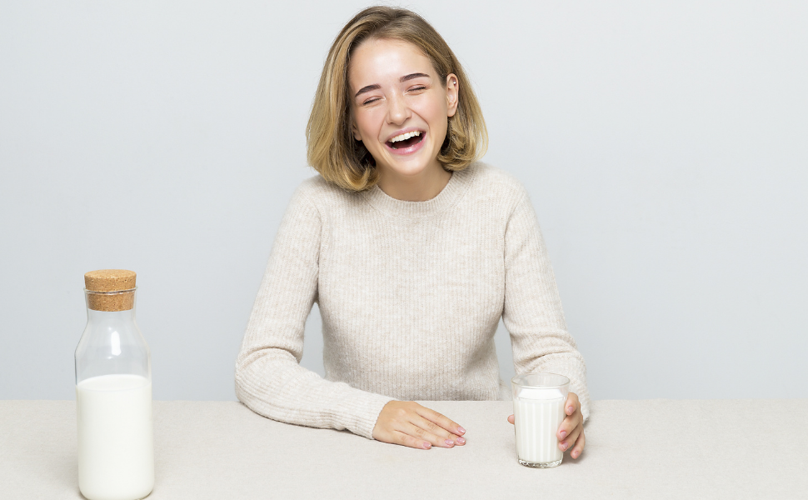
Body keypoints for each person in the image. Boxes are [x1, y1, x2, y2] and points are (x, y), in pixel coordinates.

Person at [235, 6, 589, 458]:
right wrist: (370, 413)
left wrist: (568, 406)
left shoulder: (502, 200)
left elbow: (549, 354)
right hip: (357, 454)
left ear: (450, 95)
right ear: (351, 125)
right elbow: (258, 365)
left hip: (477, 450)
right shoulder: (317, 207)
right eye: (370, 98)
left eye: (415, 88)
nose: (398, 113)